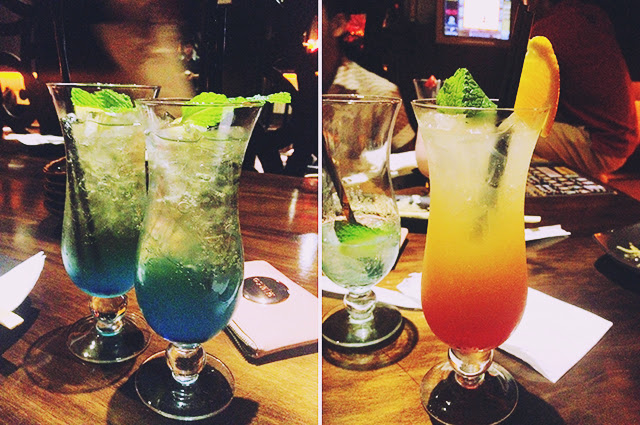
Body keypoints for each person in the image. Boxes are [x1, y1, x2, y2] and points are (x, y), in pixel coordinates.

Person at [529, 0, 638, 178]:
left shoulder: (550, 28)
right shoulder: (588, 14)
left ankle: (571, 186)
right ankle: (587, 177)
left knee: (512, 133)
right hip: (622, 139)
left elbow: (527, 91)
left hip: (602, 145)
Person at [323, 1, 416, 152]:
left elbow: (408, 160)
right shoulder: (300, 89)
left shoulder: (381, 95)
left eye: (315, 18)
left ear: (337, 24)